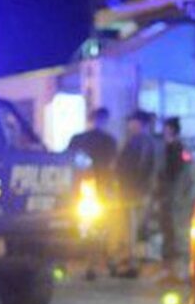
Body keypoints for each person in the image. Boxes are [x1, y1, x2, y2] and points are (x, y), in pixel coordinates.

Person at [67, 108, 117, 280]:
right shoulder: (109, 141)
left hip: (84, 190)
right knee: (98, 228)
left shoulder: (79, 139)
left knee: (91, 227)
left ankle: (92, 263)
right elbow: (112, 167)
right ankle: (96, 262)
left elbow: (69, 160)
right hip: (98, 190)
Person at [112, 110, 156, 278]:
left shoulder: (139, 141)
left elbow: (137, 168)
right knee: (133, 228)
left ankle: (131, 265)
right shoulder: (147, 141)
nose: (129, 124)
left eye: (132, 121)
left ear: (139, 123)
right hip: (137, 191)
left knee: (131, 228)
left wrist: (128, 186)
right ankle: (130, 263)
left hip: (132, 192)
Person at [155, 117, 192, 283]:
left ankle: (178, 271)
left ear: (170, 129)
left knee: (175, 233)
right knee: (169, 233)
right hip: (171, 198)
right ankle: (172, 271)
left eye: (165, 128)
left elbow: (176, 175)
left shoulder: (175, 149)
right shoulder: (174, 148)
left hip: (173, 198)